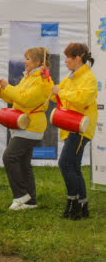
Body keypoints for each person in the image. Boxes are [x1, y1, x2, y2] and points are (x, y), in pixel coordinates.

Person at [0, 47, 53, 211]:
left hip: (31, 125)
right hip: (23, 123)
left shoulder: (42, 81)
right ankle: (31, 201)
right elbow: (14, 96)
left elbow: (25, 100)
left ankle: (21, 195)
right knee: (24, 163)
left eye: (28, 59)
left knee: (9, 157)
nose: (24, 62)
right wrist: (0, 91)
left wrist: (7, 86)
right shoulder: (29, 77)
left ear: (38, 62)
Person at [51, 43, 97, 220]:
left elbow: (82, 99)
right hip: (72, 126)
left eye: (68, 57)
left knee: (65, 164)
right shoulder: (72, 77)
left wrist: (61, 92)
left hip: (80, 127)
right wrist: (45, 79)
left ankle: (73, 202)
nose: (65, 61)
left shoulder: (88, 77)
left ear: (78, 58)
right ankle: (82, 206)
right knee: (74, 166)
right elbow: (56, 92)